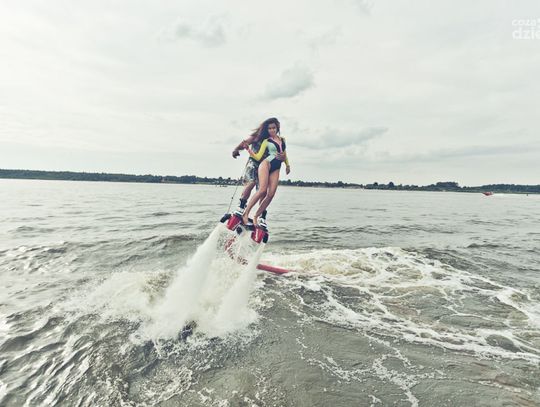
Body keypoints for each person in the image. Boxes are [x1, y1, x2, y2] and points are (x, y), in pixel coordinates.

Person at [231, 118, 287, 227]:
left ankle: (261, 215)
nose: (271, 130)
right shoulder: (258, 136)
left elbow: (282, 153)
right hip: (253, 163)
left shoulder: (276, 140)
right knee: (251, 183)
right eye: (269, 128)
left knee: (263, 191)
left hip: (266, 166)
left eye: (274, 128)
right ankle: (242, 205)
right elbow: (245, 142)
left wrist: (284, 158)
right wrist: (236, 150)